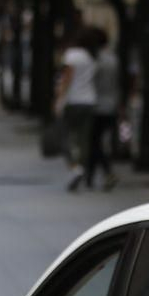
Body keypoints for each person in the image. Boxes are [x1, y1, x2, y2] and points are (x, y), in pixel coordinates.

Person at [57, 29, 98, 192]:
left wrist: (59, 100)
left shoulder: (71, 55)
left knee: (64, 136)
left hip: (73, 101)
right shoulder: (90, 56)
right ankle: (81, 167)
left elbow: (67, 78)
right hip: (89, 101)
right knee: (83, 139)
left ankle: (74, 167)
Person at [85, 27, 120, 191]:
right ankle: (90, 176)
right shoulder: (113, 59)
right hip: (111, 104)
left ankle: (106, 172)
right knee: (97, 141)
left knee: (94, 142)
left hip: (97, 106)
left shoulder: (96, 60)